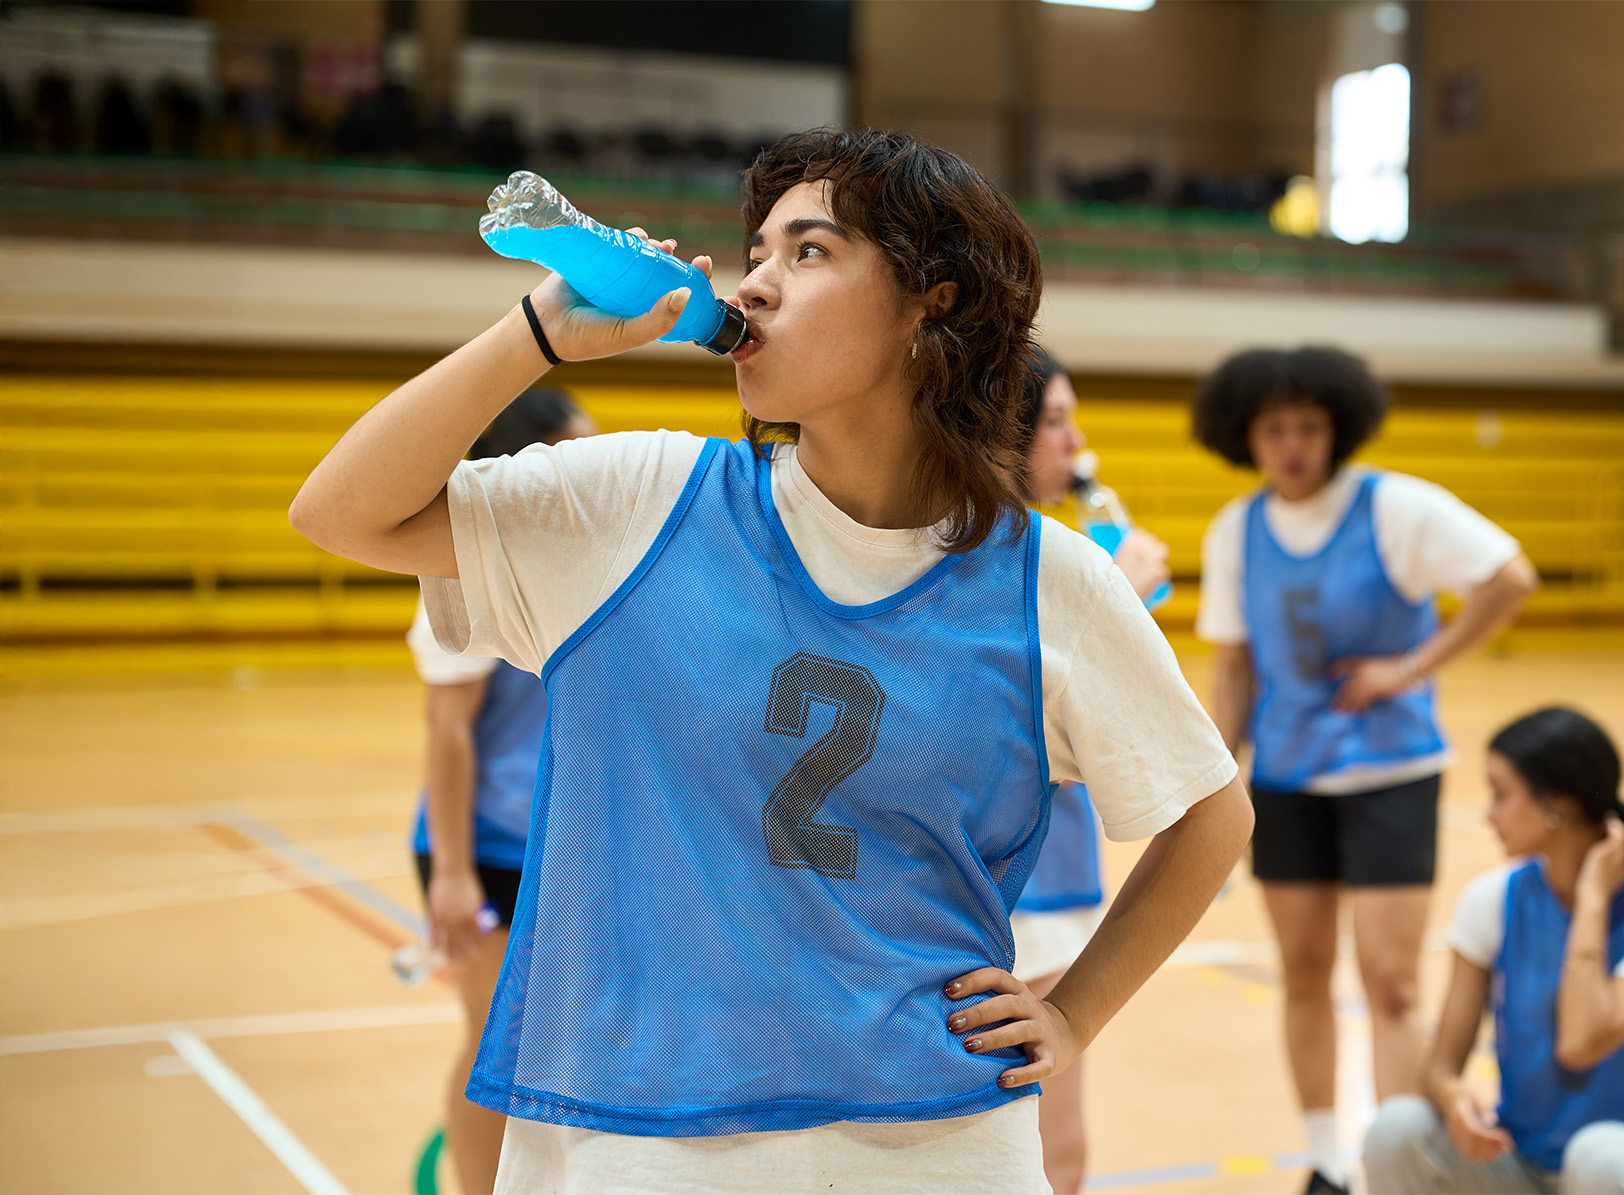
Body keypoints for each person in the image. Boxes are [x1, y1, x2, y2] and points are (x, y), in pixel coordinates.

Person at [290, 128, 1252, 1193]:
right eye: (755, 251)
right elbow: (341, 512)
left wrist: (1071, 1014)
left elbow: (1212, 812)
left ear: (932, 302)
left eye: (807, 251)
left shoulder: (1050, 580)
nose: (752, 282)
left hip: (935, 1144)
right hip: (637, 1135)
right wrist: (536, 334)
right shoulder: (636, 503)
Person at [1191, 347, 1539, 1194]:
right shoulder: (1236, 528)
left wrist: (1412, 666)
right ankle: (1321, 1159)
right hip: (1286, 778)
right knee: (1303, 971)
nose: (1293, 444)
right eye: (1275, 429)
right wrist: (1218, 780)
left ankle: (1396, 1164)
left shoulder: (1395, 508)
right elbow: (1234, 666)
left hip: (1391, 772)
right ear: (1249, 437)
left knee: (1391, 980)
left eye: (1308, 425)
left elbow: (1509, 578)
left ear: (1336, 428)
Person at [1362, 708, 1624, 1195]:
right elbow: (1438, 1065)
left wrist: (1592, 900)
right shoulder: (1491, 899)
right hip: (1528, 1170)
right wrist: (1454, 1101)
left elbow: (1580, 1042)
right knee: (1398, 1128)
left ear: (1557, 805)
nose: (1488, 814)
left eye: (1500, 794)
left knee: (1600, 1157)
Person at [405, 385, 595, 1195]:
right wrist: (451, 870)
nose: (594, 458)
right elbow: (446, 732)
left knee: (550, 1046)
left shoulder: (588, 561)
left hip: (561, 849)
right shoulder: (468, 571)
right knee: (495, 1047)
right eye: (574, 445)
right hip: (483, 849)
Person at [1011, 348, 1171, 1193]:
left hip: (1050, 878)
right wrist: (1118, 591)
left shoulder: (1064, 547)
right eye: (1058, 418)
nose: (1077, 440)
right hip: (1016, 883)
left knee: (1052, 1141)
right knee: (1045, 1141)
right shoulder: (1026, 558)